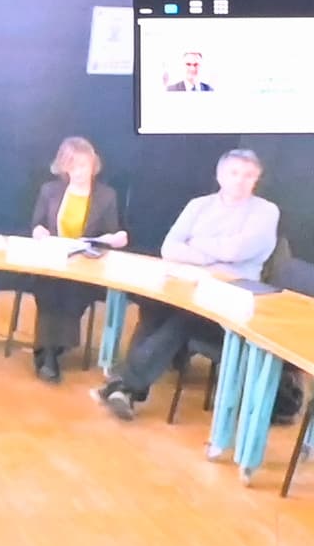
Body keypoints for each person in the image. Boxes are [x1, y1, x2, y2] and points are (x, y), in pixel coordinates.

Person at [103, 143, 286, 426]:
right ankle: (127, 385)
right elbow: (169, 248)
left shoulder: (265, 211)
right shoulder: (199, 205)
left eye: (248, 175)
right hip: (187, 285)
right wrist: (213, 253)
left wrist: (196, 245)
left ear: (256, 179)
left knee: (186, 320)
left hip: (232, 298)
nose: (240, 180)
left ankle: (125, 386)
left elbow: (236, 251)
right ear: (220, 175)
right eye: (234, 173)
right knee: (153, 307)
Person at [14, 133, 133, 386]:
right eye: (72, 166)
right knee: (49, 289)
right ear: (63, 167)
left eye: (83, 166)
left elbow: (114, 232)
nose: (78, 172)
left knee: (70, 292)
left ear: (93, 165)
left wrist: (114, 238)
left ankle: (49, 350)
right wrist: (39, 232)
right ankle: (50, 353)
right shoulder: (50, 191)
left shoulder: (106, 195)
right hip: (52, 262)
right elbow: (37, 224)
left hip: (86, 267)